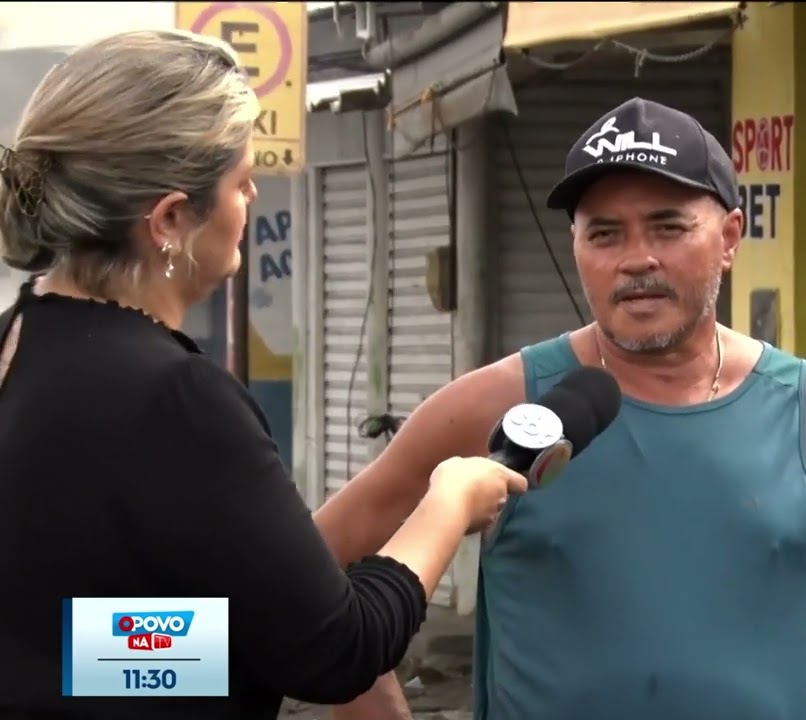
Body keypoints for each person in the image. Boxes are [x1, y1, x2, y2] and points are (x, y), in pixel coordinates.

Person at [320, 97, 806, 720]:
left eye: (668, 227)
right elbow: (309, 578)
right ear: (577, 247)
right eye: (605, 234)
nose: (636, 259)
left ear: (732, 236)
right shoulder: (495, 407)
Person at [0, 30, 526, 720]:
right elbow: (340, 651)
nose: (253, 197)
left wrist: (256, 633)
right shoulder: (176, 397)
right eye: (241, 180)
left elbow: (71, 646)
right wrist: (449, 501)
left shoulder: (20, 339)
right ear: (169, 219)